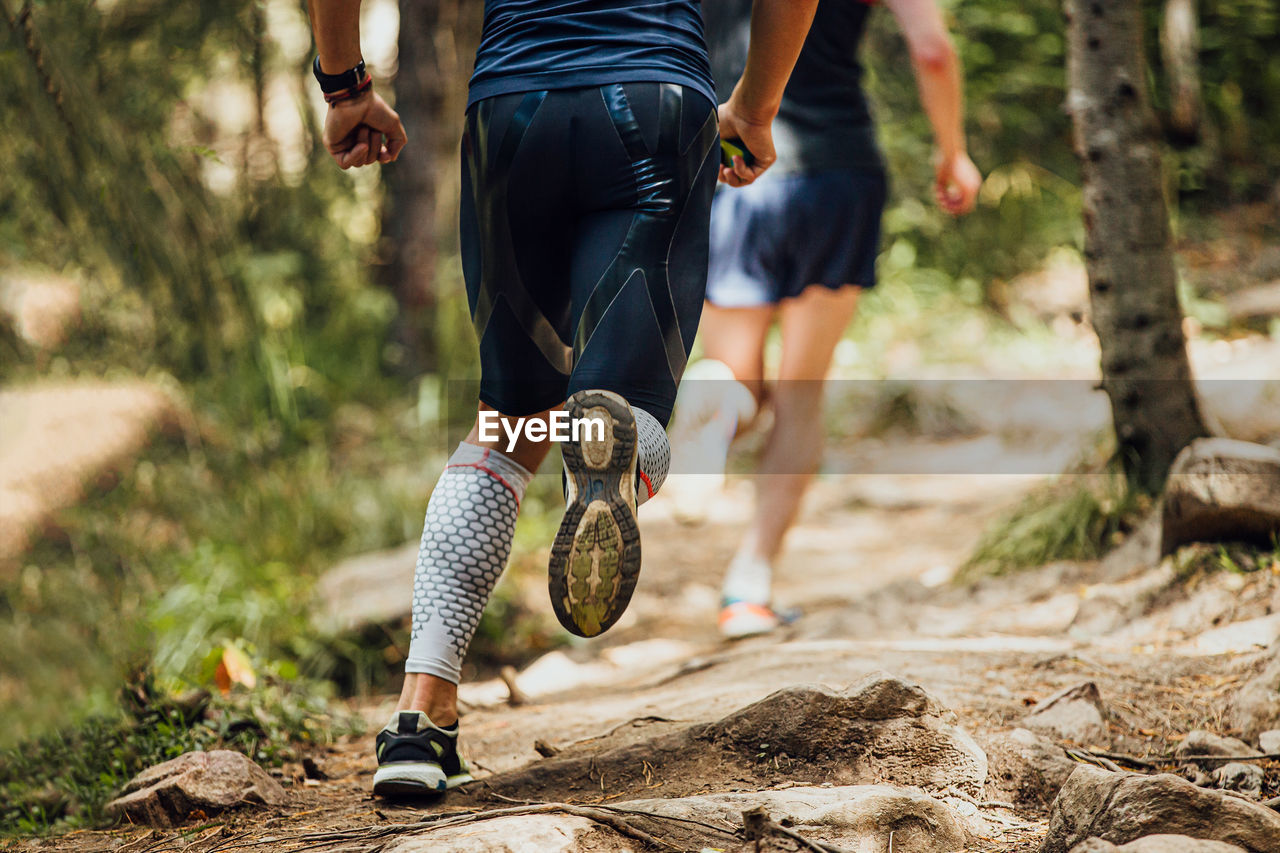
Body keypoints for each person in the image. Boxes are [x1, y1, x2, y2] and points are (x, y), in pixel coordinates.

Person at [306, 0, 821, 796]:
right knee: (627, 404)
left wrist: (344, 86)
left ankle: (420, 719)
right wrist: (755, 105)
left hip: (513, 109)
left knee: (504, 427)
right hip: (655, 104)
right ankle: (608, 447)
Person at [685, 0, 983, 639]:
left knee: (739, 383)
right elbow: (932, 49)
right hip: (836, 168)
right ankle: (749, 585)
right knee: (801, 394)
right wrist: (953, 152)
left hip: (728, 159)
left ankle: (716, 407)